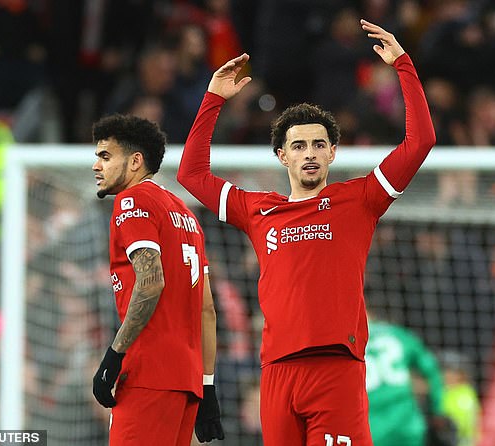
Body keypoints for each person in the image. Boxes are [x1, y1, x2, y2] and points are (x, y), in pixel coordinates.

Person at [178, 18, 435, 445]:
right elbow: (191, 173)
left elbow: (420, 141)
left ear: (333, 152)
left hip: (336, 367)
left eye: (319, 145)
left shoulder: (361, 199)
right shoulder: (258, 209)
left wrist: (403, 66)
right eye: (299, 146)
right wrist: (213, 98)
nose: (310, 154)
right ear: (282, 156)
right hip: (277, 372)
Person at [90, 114, 224, 445]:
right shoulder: (187, 215)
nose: (96, 166)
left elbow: (151, 281)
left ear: (136, 161)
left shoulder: (133, 200)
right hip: (187, 382)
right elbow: (207, 308)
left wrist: (114, 354)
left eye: (105, 156)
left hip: (147, 374)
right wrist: (207, 385)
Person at [365, 314, 450, 446]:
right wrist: (437, 409)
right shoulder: (398, 334)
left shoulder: (351, 339)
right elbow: (431, 370)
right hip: (407, 425)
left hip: (373, 428)